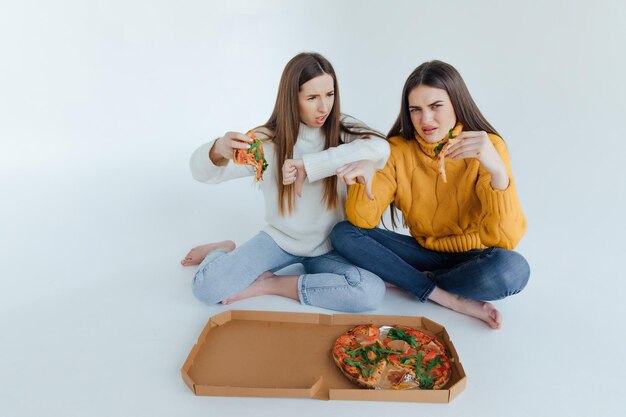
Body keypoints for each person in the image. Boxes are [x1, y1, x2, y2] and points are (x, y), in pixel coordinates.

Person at [181, 52, 390, 312]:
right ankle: (223, 249)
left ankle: (272, 285)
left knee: (369, 292)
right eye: (312, 98)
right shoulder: (266, 141)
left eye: (330, 94)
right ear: (292, 98)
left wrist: (312, 166)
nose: (324, 107)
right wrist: (218, 149)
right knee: (207, 288)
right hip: (279, 241)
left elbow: (381, 148)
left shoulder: (342, 130)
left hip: (330, 246)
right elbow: (203, 174)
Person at [331, 60, 530, 328]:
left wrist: (497, 171)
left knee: (513, 270)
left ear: (457, 103)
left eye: (436, 106)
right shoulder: (397, 150)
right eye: (416, 110)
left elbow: (505, 240)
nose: (425, 119)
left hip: (476, 257)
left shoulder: (487, 146)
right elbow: (361, 221)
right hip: (425, 252)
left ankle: (411, 278)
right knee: (343, 233)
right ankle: (445, 296)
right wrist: (364, 178)